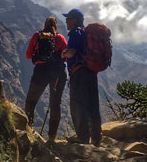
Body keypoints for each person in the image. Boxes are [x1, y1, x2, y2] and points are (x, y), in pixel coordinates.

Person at [22, 16, 67, 142]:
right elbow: (66, 56)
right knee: (55, 104)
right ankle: (52, 138)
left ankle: (28, 129)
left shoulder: (37, 35)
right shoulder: (60, 38)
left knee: (31, 101)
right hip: (57, 74)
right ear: (56, 25)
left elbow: (27, 55)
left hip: (40, 72)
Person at [62, 8, 101, 145]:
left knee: (78, 105)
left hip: (79, 73)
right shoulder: (86, 33)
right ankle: (96, 139)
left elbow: (72, 52)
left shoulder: (75, 33)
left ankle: (82, 138)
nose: (66, 22)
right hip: (91, 72)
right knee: (93, 105)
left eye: (68, 19)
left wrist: (64, 54)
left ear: (74, 20)